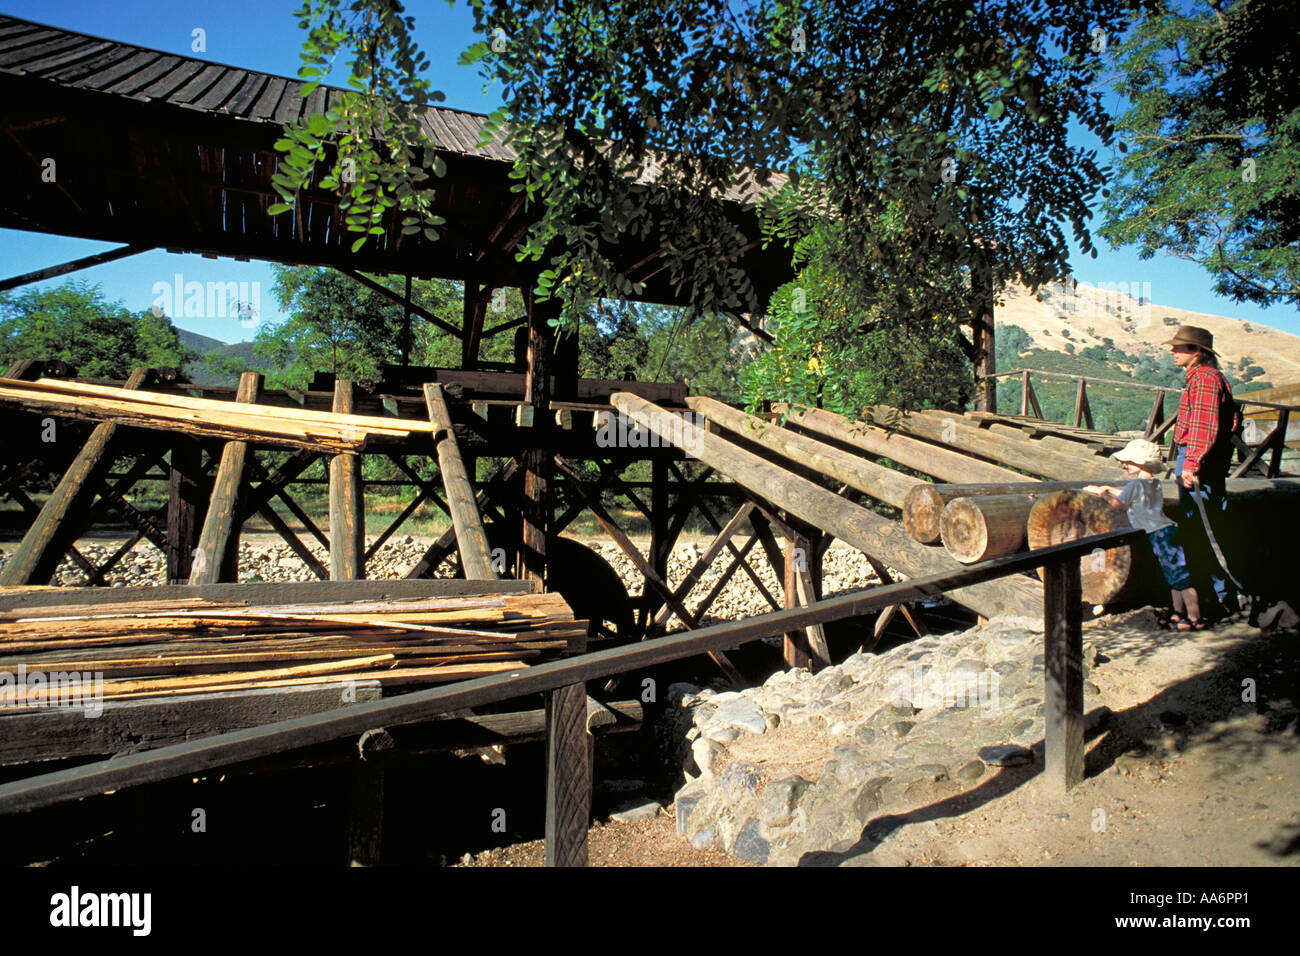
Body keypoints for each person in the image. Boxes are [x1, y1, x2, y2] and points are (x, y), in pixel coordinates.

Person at [1084, 439, 1204, 630]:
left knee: (1181, 577)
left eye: (1129, 461)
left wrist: (1101, 493)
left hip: (1159, 534)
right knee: (1173, 576)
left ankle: (1194, 618)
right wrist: (1110, 489)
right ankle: (1178, 614)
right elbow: (1130, 493)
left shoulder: (1135, 486)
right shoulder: (1153, 482)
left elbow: (1119, 505)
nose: (1124, 464)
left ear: (1142, 463)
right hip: (1166, 530)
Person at [1165, 325, 1241, 619]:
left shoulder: (1206, 380)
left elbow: (1204, 426)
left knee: (1200, 529)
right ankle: (1222, 597)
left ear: (1197, 353)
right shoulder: (1203, 378)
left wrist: (1191, 463)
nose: (1172, 351)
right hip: (1205, 462)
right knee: (1207, 527)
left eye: (1179, 347)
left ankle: (1221, 599)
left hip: (1199, 462)